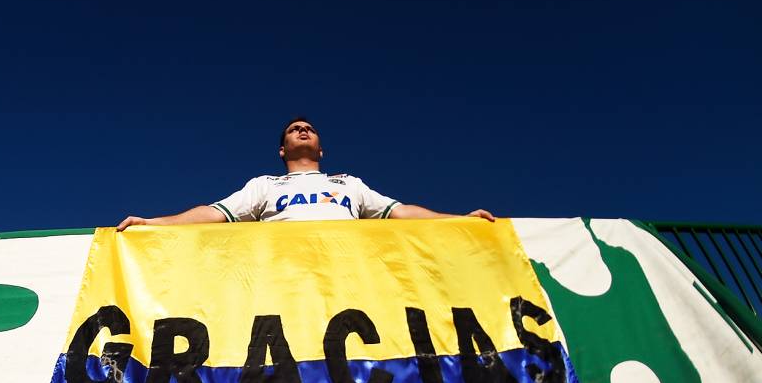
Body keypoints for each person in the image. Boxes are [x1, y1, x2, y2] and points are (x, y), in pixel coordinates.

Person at [117, 118, 495, 229]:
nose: (302, 130)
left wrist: (459, 219)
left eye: (309, 129)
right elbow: (215, 213)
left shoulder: (348, 184)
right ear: (283, 149)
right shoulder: (265, 185)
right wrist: (156, 223)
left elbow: (401, 212)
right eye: (293, 130)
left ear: (320, 148)